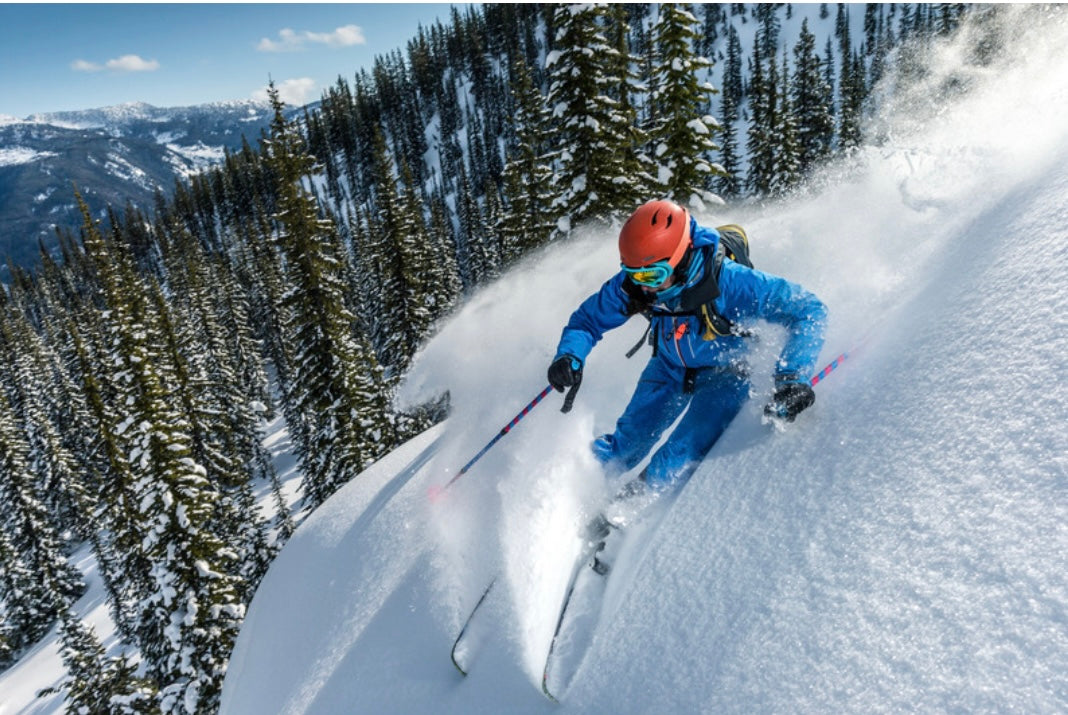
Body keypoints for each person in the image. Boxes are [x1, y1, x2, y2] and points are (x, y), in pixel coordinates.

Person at [547, 199, 827, 495]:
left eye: (650, 276)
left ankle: (620, 516)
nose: (642, 287)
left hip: (726, 373)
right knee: (624, 447)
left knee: (672, 459)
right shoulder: (636, 282)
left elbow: (808, 309)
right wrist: (569, 355)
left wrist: (792, 378)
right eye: (631, 274)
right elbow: (587, 321)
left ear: (679, 258)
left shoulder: (730, 283)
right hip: (668, 367)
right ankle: (563, 490)